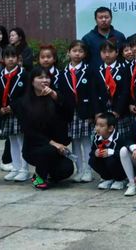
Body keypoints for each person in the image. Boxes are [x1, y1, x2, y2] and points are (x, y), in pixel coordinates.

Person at [15, 67, 74, 189]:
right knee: (49, 150)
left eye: (47, 77)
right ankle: (38, 176)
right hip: (35, 146)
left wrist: (55, 96)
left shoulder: (55, 96)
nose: (45, 80)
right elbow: (28, 130)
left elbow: (68, 116)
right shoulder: (23, 102)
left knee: (66, 169)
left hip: (56, 147)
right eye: (40, 77)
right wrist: (53, 143)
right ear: (32, 81)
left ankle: (46, 173)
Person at [60, 40, 95, 183]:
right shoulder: (63, 73)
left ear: (85, 54)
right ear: (69, 52)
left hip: (85, 111)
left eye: (80, 51)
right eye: (74, 51)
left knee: (86, 141)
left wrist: (93, 113)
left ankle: (88, 170)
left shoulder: (89, 70)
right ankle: (79, 169)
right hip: (70, 112)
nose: (77, 54)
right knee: (75, 142)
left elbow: (93, 92)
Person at [0, 45, 30, 182]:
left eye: (13, 56)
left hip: (19, 113)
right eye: (7, 57)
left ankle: (24, 169)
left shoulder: (23, 74)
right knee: (12, 140)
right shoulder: (0, 75)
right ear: (3, 59)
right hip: (6, 114)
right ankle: (15, 167)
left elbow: (26, 95)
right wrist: (0, 108)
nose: (10, 59)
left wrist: (12, 106)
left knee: (21, 141)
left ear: (18, 58)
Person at [92, 40, 131, 135]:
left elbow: (125, 91)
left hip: (119, 111)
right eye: (104, 52)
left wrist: (118, 110)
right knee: (104, 137)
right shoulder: (97, 70)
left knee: (121, 137)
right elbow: (94, 92)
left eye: (110, 51)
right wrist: (97, 111)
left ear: (117, 52)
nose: (107, 55)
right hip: (102, 110)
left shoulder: (123, 68)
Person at [89, 112, 127, 190]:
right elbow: (91, 152)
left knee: (111, 160)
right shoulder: (97, 138)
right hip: (106, 163)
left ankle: (120, 180)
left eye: (101, 126)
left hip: (120, 167)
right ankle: (108, 178)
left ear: (110, 128)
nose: (97, 128)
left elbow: (125, 154)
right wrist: (95, 152)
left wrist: (111, 152)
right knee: (92, 160)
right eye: (96, 125)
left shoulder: (119, 138)